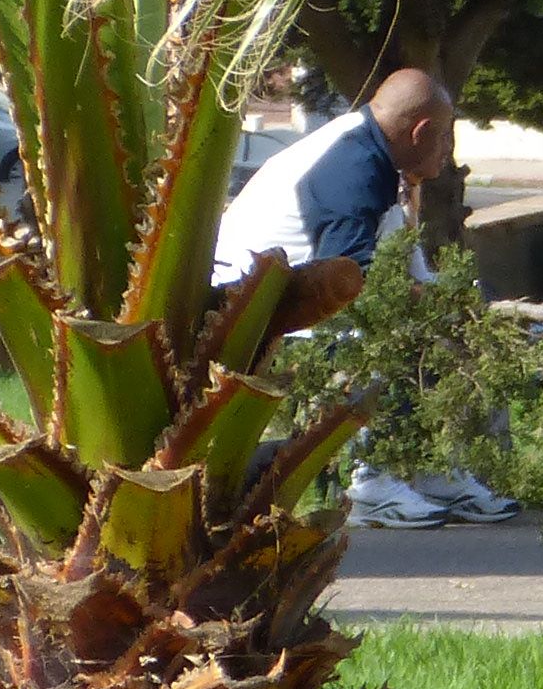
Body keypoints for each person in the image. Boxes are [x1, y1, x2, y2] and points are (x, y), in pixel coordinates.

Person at [215, 67, 520, 528]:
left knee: (441, 320)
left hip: (299, 304)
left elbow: (400, 261)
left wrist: (460, 304)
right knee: (396, 327)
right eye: (443, 139)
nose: (446, 151)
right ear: (419, 132)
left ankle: (427, 468)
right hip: (262, 321)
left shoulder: (373, 153)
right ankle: (373, 479)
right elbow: (349, 281)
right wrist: (432, 307)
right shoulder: (352, 169)